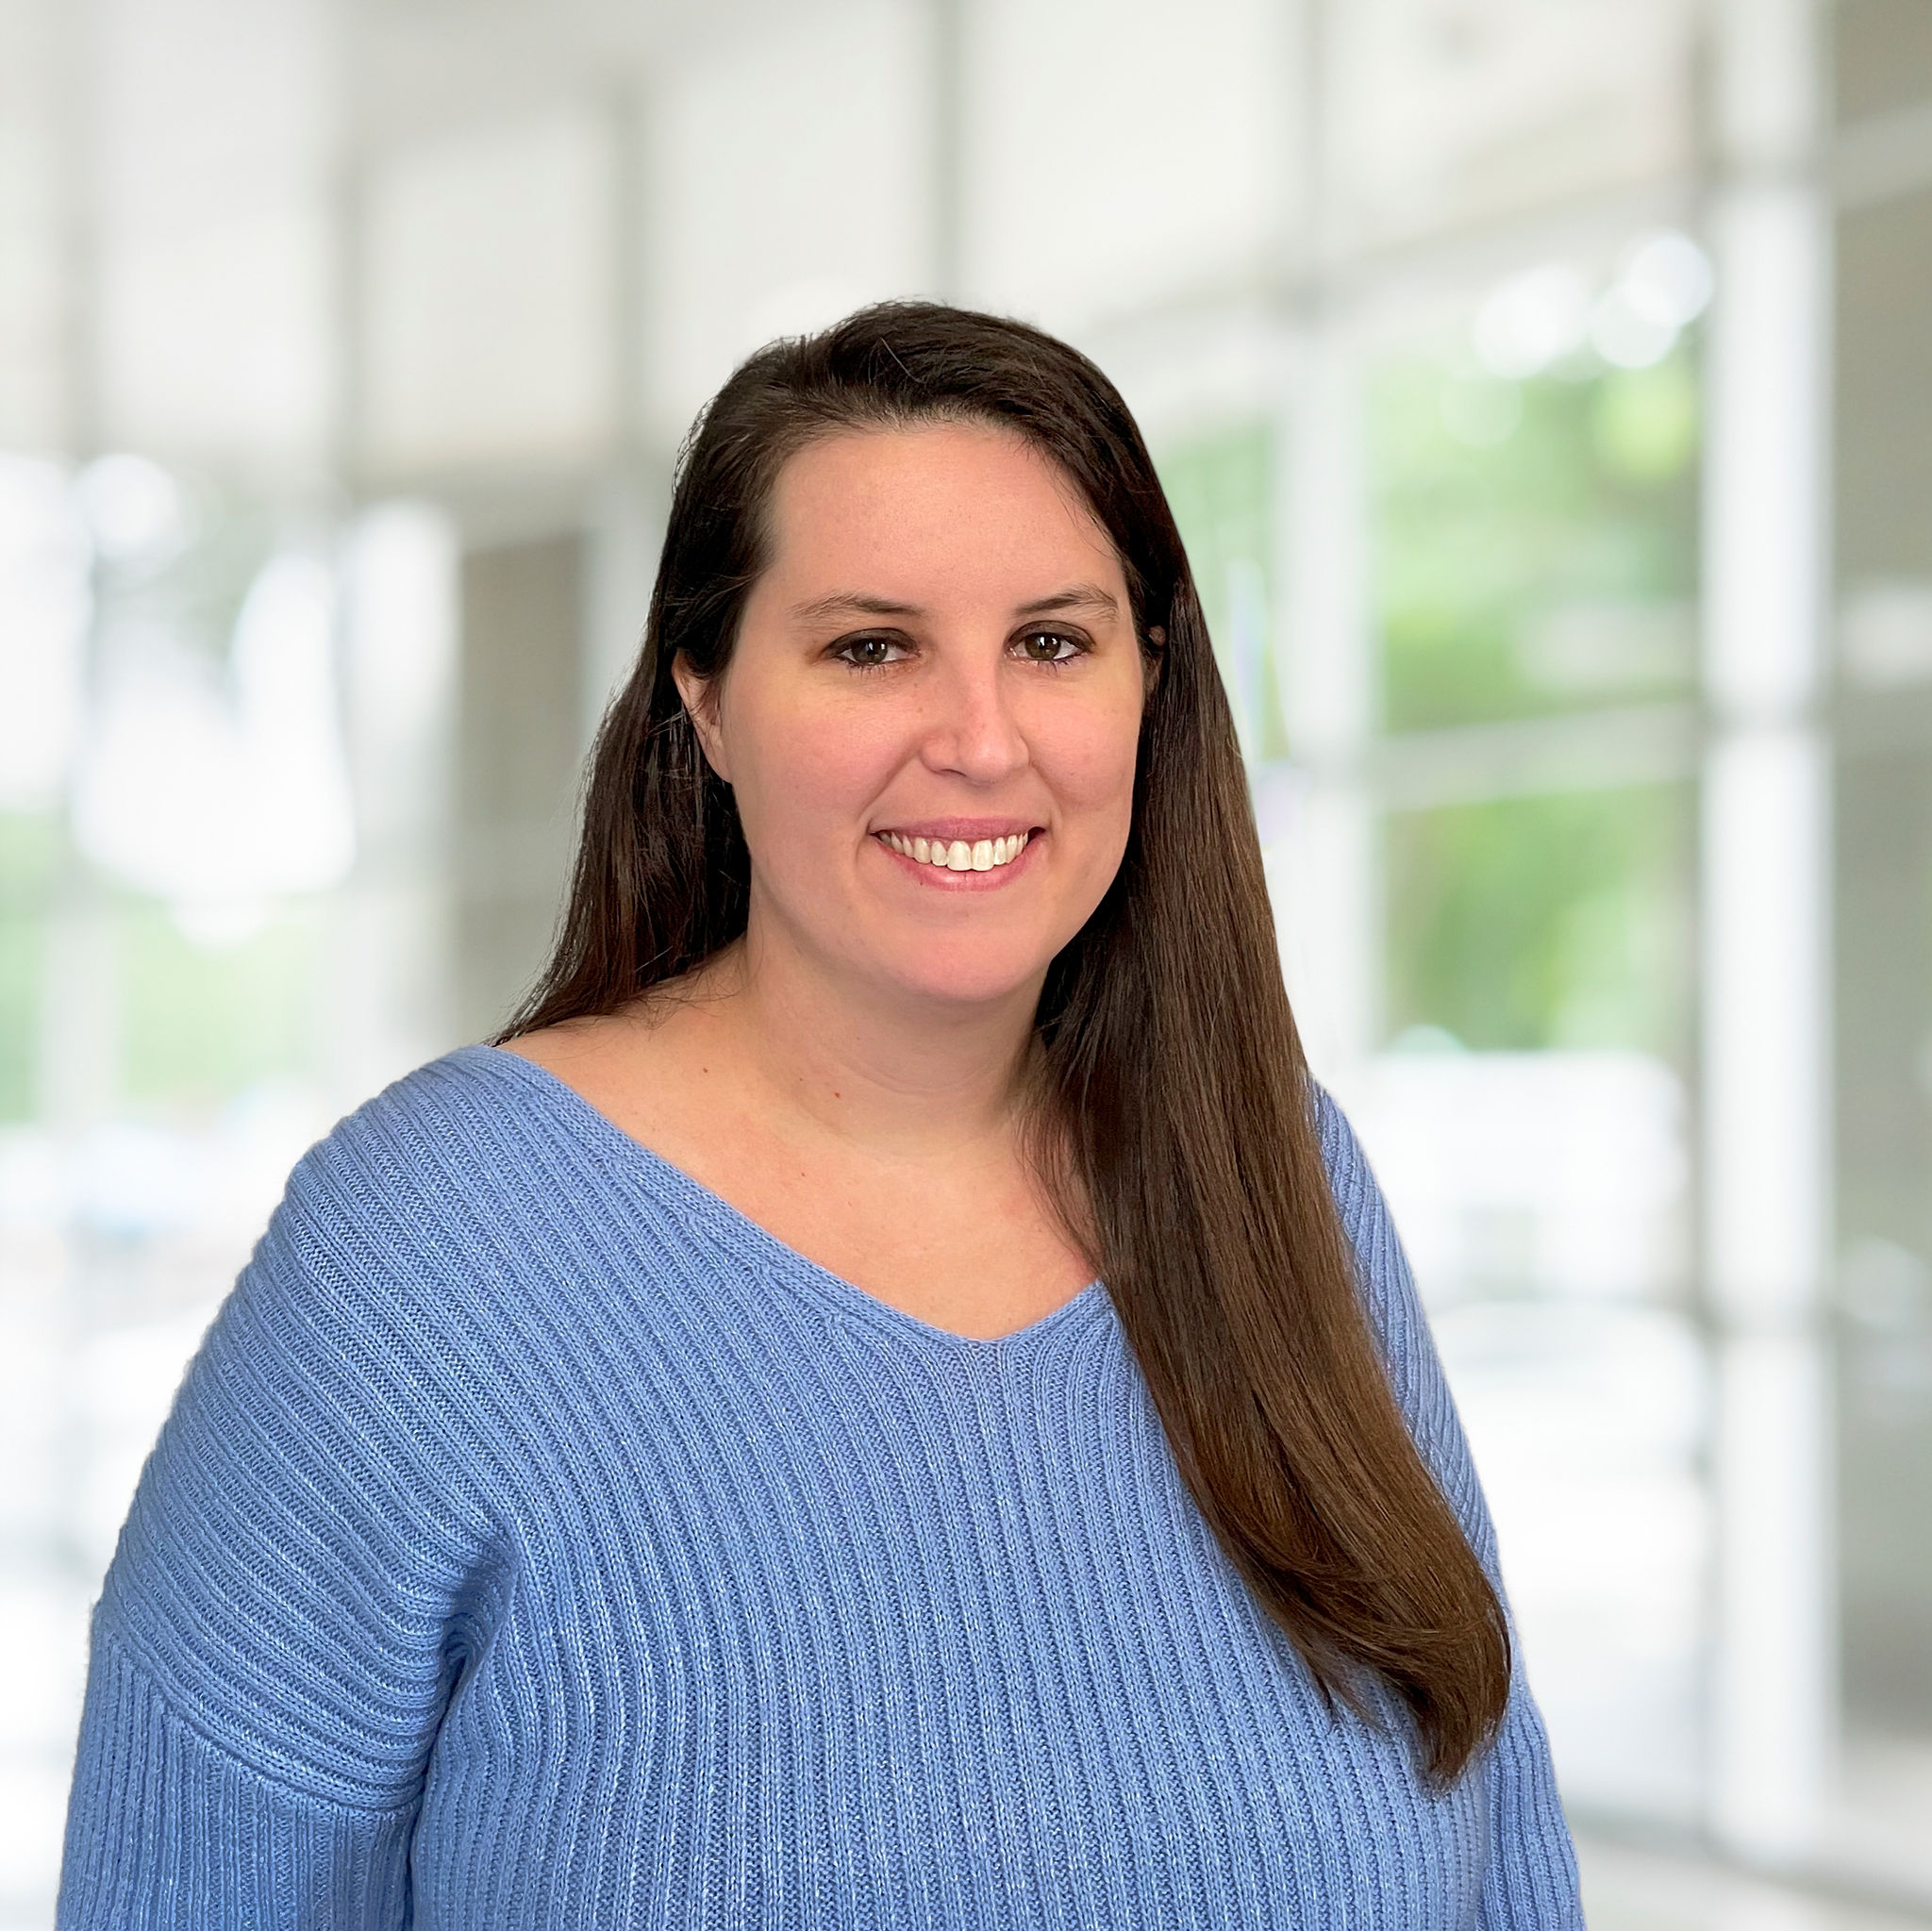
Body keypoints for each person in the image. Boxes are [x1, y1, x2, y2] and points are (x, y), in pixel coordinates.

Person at [58, 303, 1584, 1927]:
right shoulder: (424, 1255)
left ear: (1153, 680)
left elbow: (1501, 1859)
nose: (980, 740)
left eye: (1053, 643)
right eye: (873, 646)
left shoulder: (1273, 1173)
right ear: (703, 701)